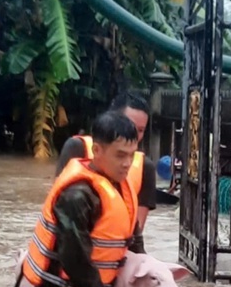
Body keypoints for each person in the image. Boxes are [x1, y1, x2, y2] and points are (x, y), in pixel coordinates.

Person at [22, 111, 139, 287]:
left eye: (132, 156)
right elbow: (76, 261)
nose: (127, 164)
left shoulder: (119, 187)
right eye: (120, 155)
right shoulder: (77, 197)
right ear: (97, 151)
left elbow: (132, 242)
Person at [54, 92, 156, 253]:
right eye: (128, 125)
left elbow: (135, 231)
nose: (133, 134)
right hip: (74, 250)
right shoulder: (77, 148)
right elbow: (62, 209)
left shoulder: (146, 167)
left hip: (113, 254)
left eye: (141, 130)